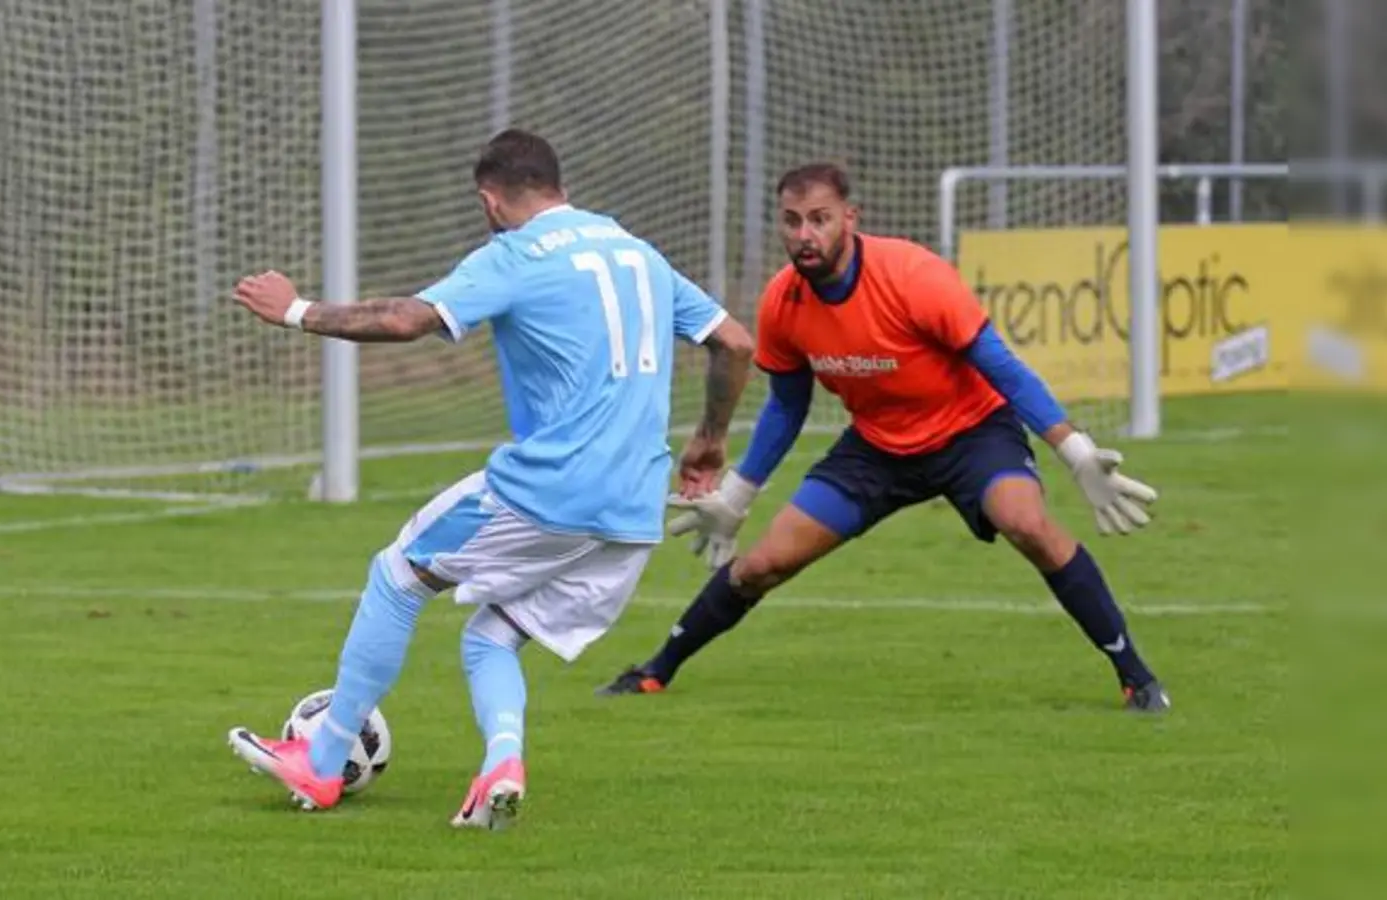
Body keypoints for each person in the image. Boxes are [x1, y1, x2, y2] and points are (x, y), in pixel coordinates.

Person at [225, 129, 756, 828]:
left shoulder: (517, 254)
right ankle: (501, 765)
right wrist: (710, 441)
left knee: (398, 574)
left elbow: (404, 318)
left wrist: (296, 310)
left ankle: (321, 763)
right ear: (558, 185)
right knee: (493, 634)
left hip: (549, 488)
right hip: (633, 508)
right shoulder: (637, 252)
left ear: (489, 200)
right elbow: (736, 342)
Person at [597, 162, 1169, 713]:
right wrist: (738, 495)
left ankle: (1136, 678)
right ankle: (654, 671)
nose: (804, 234)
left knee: (1027, 525)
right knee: (761, 565)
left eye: (819, 218)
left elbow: (1004, 368)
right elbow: (787, 406)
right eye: (792, 220)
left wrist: (1074, 451)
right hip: (877, 449)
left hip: (971, 433)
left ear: (851, 218)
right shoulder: (783, 301)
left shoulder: (913, 276)